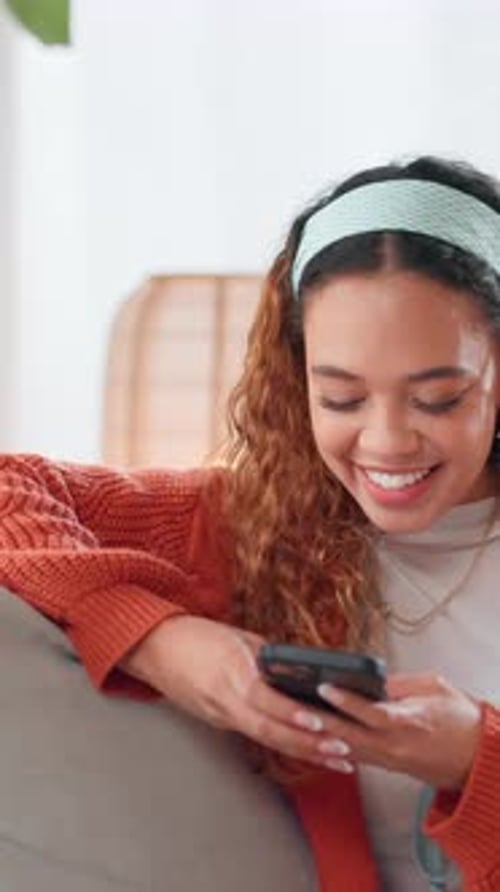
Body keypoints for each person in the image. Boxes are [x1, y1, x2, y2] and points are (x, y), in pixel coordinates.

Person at [0, 155, 499, 892]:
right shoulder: (246, 528)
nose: (387, 442)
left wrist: (472, 760)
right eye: (342, 399)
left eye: (438, 399)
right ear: (297, 381)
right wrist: (162, 643)